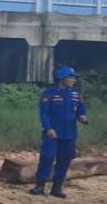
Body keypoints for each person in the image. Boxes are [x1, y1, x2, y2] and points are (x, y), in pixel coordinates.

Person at [31, 66, 89, 197]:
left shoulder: (76, 94)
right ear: (62, 78)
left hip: (69, 133)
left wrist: (82, 117)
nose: (73, 80)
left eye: (74, 78)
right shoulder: (49, 94)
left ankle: (57, 187)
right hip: (52, 133)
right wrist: (48, 128)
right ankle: (40, 185)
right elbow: (44, 113)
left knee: (65, 159)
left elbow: (81, 110)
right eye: (70, 77)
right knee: (47, 157)